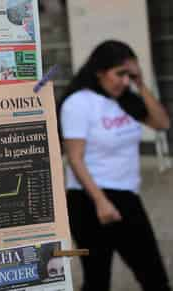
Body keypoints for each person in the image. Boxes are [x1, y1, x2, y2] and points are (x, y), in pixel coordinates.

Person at [59, 40, 171, 291]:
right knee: (97, 279)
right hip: (89, 200)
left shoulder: (125, 100)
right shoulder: (78, 103)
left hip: (125, 197)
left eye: (130, 75)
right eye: (120, 74)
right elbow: (75, 157)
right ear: (100, 71)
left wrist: (141, 85)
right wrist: (101, 202)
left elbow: (162, 123)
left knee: (154, 277)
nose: (124, 81)